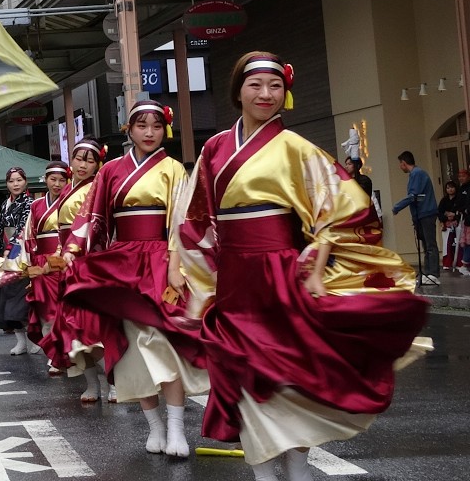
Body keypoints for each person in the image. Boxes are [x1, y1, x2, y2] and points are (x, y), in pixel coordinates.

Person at [174, 52, 431, 481]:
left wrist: (317, 262)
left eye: (275, 87)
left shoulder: (298, 148)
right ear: (238, 91)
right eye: (255, 85)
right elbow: (196, 219)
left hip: (282, 271)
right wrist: (200, 283)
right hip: (235, 277)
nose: (265, 94)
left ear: (285, 94)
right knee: (245, 370)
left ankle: (297, 467)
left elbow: (343, 211)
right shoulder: (215, 148)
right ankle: (263, 473)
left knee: (292, 374)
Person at [62, 100, 208, 459]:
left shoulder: (174, 168)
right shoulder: (110, 171)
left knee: (163, 344)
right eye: (141, 126)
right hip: (122, 261)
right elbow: (93, 217)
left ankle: (175, 426)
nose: (149, 133)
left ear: (165, 131)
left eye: (156, 127)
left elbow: (182, 222)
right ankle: (155, 426)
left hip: (162, 259)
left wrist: (178, 264)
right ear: (128, 129)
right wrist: (73, 250)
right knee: (131, 350)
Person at [42, 138, 111, 403]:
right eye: (79, 159)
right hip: (69, 266)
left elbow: (99, 230)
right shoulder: (70, 190)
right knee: (74, 329)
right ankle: (92, 384)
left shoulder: (98, 188)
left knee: (95, 328)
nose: (83, 165)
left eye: (90, 160)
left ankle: (113, 383)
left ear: (98, 165)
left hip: (90, 263)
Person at [21, 161, 70, 355]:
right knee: (45, 309)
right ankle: (54, 354)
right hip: (41, 262)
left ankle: (67, 351)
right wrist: (28, 263)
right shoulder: (36, 205)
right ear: (46, 180)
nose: (57, 184)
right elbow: (28, 235)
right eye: (53, 179)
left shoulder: (71, 202)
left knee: (65, 308)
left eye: (62, 180)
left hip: (64, 259)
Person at [0, 167, 34, 352]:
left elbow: (23, 228)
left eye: (19, 180)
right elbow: (0, 229)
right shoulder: (5, 203)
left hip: (20, 253)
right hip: (5, 254)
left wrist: (9, 249)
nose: (15, 184)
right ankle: (20, 339)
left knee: (21, 297)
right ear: (7, 183)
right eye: (12, 181)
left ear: (25, 182)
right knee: (6, 297)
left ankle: (33, 337)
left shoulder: (29, 202)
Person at [394, 150, 440, 284]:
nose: (400, 166)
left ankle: (433, 273)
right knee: (426, 245)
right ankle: (427, 272)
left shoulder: (417, 174)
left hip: (426, 213)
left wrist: (398, 207)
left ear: (404, 163)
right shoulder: (416, 174)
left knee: (430, 245)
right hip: (422, 214)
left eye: (400, 163)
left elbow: (413, 195)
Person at [440, 179, 460, 270]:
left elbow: (461, 210)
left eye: (452, 187)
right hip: (447, 225)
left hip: (457, 224)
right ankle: (447, 262)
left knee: (458, 243)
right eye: (448, 188)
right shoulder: (444, 200)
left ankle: (459, 262)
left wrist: (454, 215)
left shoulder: (459, 199)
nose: (450, 190)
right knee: (447, 244)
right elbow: (439, 212)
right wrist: (445, 218)